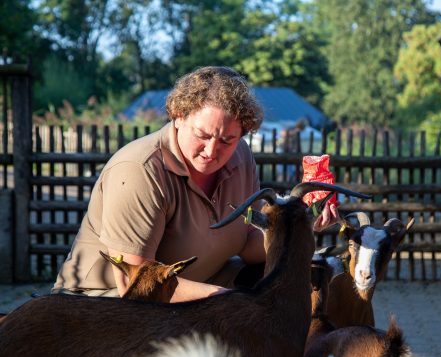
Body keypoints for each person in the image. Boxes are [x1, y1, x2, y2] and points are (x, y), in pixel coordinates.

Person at [52, 66, 338, 302]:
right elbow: (137, 283)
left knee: (291, 281)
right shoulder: (140, 169)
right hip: (102, 300)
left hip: (203, 284)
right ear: (178, 117)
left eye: (227, 140)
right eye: (202, 135)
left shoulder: (241, 157)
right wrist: (224, 301)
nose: (212, 151)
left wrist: (302, 226)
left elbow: (250, 245)